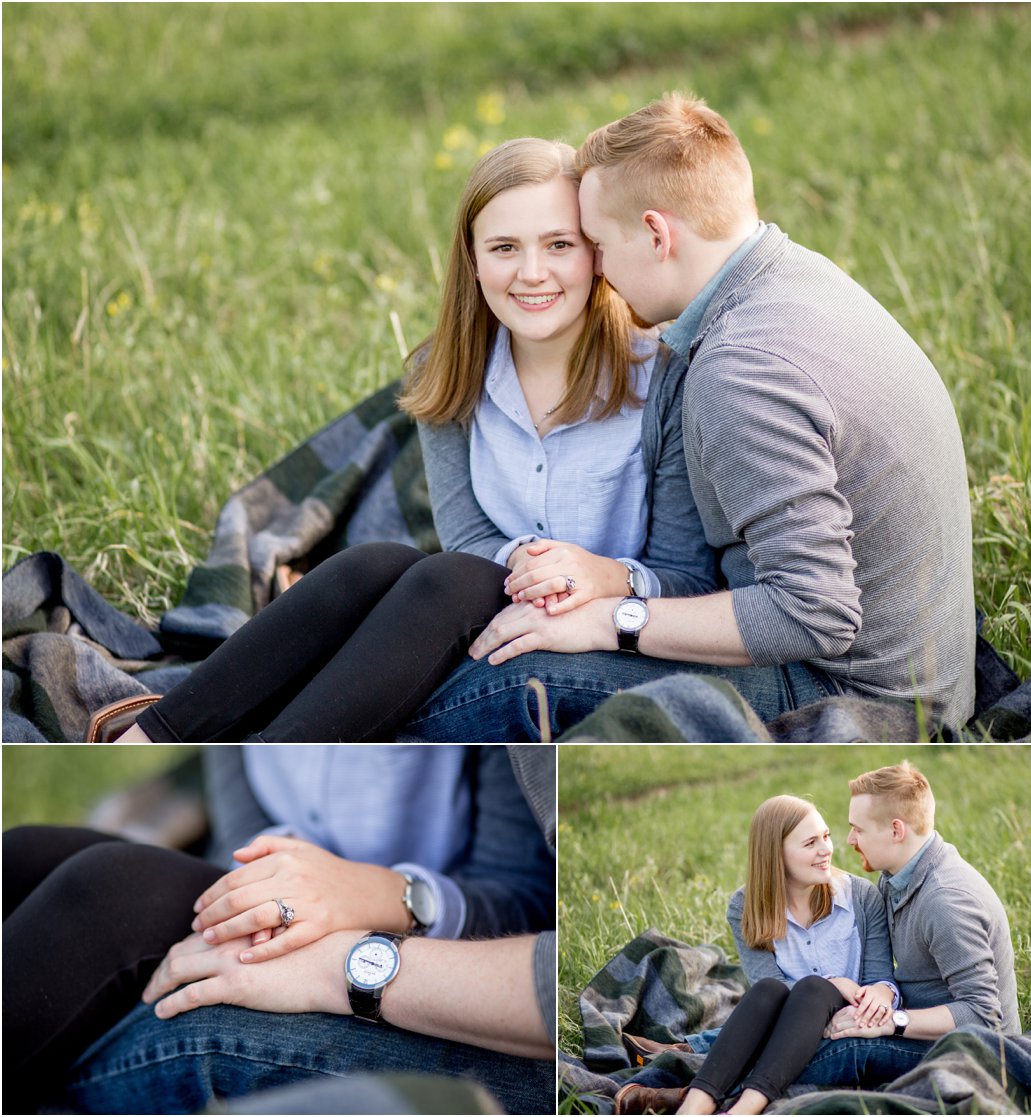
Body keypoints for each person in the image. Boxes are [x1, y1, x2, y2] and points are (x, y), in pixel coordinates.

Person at [397, 92, 976, 743]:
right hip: (923, 664)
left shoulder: (736, 372)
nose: (600, 274)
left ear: (656, 234)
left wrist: (612, 618)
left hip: (858, 692)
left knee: (510, 675)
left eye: (593, 244)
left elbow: (813, 617)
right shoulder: (797, 278)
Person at [97, 134, 714, 743]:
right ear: (472, 261)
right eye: (503, 247)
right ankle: (150, 736)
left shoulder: (661, 378)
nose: (532, 273)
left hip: (618, 631)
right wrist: (527, 562)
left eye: (559, 244)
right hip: (497, 604)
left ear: (597, 254)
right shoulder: (445, 373)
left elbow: (689, 576)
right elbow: (469, 535)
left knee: (446, 580)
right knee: (375, 564)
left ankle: (273, 754)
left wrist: (603, 577)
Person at [2, 745, 556, 1114]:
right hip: (304, 928)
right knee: (27, 858)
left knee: (112, 894)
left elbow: (530, 902)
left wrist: (367, 913)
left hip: (456, 976)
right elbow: (242, 840)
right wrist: (270, 905)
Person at [615, 796, 898, 1115]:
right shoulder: (745, 906)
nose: (826, 850)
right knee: (768, 990)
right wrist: (834, 982)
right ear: (776, 854)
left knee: (812, 991)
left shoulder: (862, 897)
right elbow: (770, 987)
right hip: (782, 1022)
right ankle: (690, 1108)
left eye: (826, 836)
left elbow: (880, 980)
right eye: (810, 843)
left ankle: (692, 1071)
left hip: (846, 1028)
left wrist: (876, 992)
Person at [790, 760, 1019, 1088]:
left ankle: (719, 1083)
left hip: (974, 1054)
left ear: (897, 830)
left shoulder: (945, 903)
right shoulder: (894, 876)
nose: (850, 839)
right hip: (917, 1022)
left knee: (848, 1048)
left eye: (859, 829)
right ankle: (702, 1057)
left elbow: (984, 1016)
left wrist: (890, 1022)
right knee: (811, 1021)